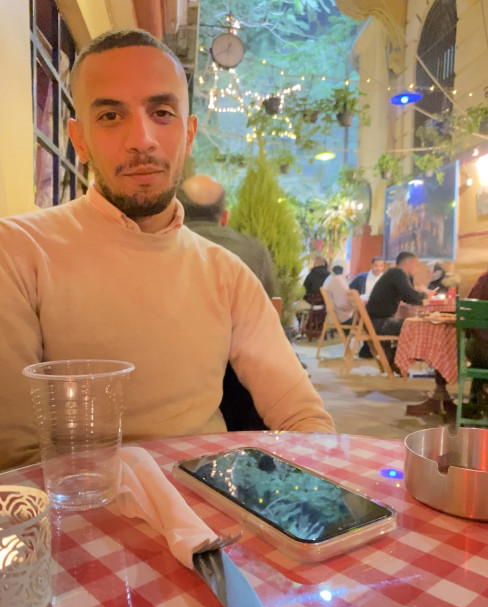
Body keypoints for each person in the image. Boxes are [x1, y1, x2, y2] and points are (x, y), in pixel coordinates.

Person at [0, 28, 334, 471]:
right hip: (81, 506)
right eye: (111, 116)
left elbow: (304, 418)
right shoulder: (18, 252)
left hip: (209, 502)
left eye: (161, 112)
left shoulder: (226, 273)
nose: (142, 139)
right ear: (79, 140)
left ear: (189, 133)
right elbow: (15, 460)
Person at [178, 173, 273, 430]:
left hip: (182, 382)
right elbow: (271, 314)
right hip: (241, 386)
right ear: (225, 216)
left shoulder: (160, 247)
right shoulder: (255, 251)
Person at [177, 174, 274, 296]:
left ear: (178, 213)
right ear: (225, 218)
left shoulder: (162, 249)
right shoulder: (256, 252)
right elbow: (269, 304)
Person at [366, 251, 431, 367]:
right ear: (408, 263)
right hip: (380, 323)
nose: (417, 270)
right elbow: (410, 296)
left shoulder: (393, 273)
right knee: (417, 326)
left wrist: (420, 295)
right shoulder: (398, 273)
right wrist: (427, 297)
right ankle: (396, 358)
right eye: (416, 265)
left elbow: (407, 296)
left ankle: (393, 359)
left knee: (411, 324)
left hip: (373, 321)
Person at [463, 269, 488, 417]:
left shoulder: (484, 278)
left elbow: (467, 313)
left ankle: (476, 402)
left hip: (478, 350)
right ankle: (479, 402)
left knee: (480, 362)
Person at [323, 258, 354, 325]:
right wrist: (354, 305)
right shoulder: (338, 280)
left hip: (334, 314)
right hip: (342, 317)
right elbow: (342, 304)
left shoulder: (331, 278)